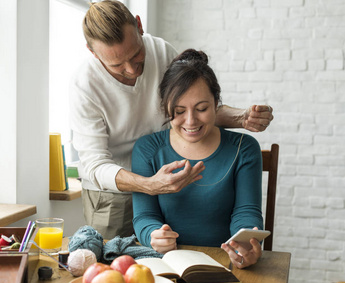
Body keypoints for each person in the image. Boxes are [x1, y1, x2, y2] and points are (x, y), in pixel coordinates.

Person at [70, 0, 273, 240]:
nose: (133, 69)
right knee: (115, 266)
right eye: (117, 65)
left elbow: (189, 104)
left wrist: (242, 118)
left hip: (163, 173)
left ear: (139, 25)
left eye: (136, 55)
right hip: (110, 193)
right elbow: (94, 164)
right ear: (93, 53)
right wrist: (149, 184)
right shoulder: (85, 85)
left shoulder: (161, 51)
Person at [132, 49, 263, 269]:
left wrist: (245, 245)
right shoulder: (147, 149)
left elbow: (246, 211)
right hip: (167, 263)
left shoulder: (244, 148)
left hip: (225, 262)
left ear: (216, 103)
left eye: (202, 108)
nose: (191, 121)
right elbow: (144, 215)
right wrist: (154, 234)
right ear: (165, 107)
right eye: (179, 111)